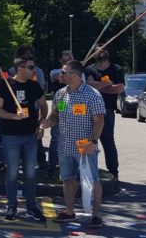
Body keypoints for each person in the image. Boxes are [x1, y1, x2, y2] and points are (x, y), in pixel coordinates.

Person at [40, 60, 105, 228]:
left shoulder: (92, 95)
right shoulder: (61, 94)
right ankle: (69, 211)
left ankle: (96, 214)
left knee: (92, 179)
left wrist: (93, 141)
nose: (60, 75)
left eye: (64, 72)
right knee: (67, 178)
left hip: (85, 145)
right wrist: (47, 123)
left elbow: (99, 121)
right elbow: (55, 115)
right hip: (65, 145)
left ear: (75, 76)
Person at [0, 57, 47, 222]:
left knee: (30, 173)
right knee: (12, 173)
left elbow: (43, 105)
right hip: (11, 136)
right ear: (20, 69)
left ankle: (32, 207)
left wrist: (42, 122)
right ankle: (11, 206)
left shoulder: (34, 85)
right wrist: (13, 116)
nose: (34, 70)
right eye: (31, 67)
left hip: (30, 135)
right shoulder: (5, 84)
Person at [85, 47, 124, 182]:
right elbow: (88, 86)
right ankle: (89, 172)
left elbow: (118, 89)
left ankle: (114, 173)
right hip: (89, 112)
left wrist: (97, 86)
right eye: (98, 49)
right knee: (89, 142)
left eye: (103, 49)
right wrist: (107, 84)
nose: (101, 51)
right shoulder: (89, 69)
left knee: (108, 143)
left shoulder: (116, 69)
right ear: (94, 54)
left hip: (107, 110)